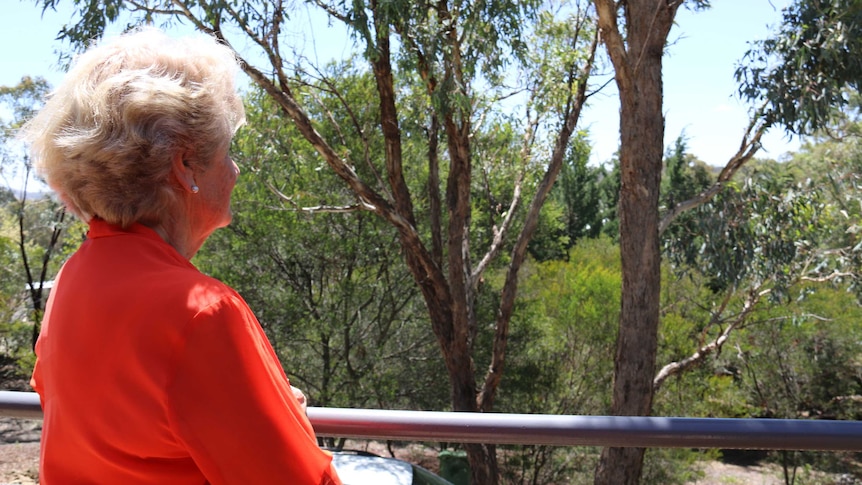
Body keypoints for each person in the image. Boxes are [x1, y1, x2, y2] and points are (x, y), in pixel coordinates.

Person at [22, 27, 342, 485]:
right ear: (184, 167)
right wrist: (294, 422)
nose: (234, 171)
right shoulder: (201, 312)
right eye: (227, 153)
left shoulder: (74, 279)